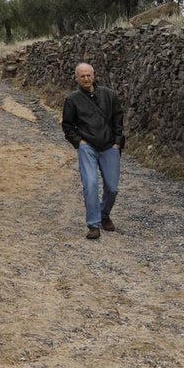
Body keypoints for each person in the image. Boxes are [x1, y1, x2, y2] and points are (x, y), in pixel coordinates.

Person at [61, 62, 125, 240]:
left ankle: (104, 215)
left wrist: (117, 142)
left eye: (89, 75)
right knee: (90, 184)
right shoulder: (72, 100)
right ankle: (93, 225)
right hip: (87, 147)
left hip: (109, 146)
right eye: (82, 76)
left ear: (94, 75)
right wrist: (79, 142)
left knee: (112, 188)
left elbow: (118, 119)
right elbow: (67, 125)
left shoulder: (110, 95)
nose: (86, 79)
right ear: (77, 78)